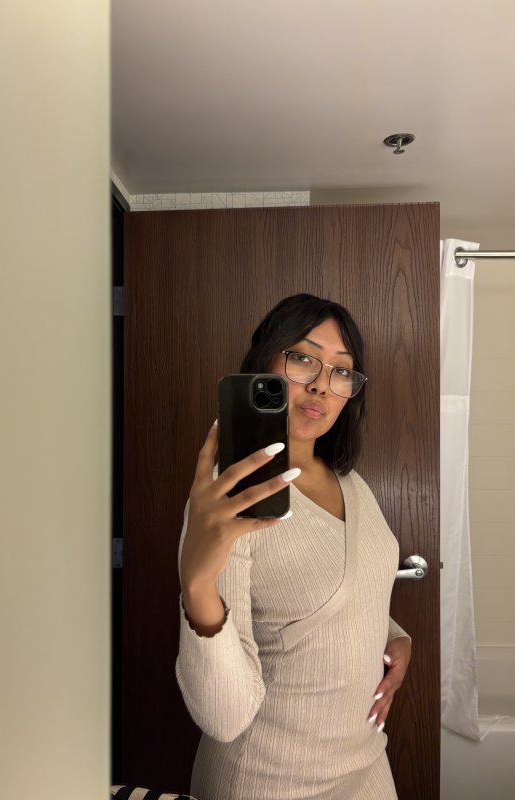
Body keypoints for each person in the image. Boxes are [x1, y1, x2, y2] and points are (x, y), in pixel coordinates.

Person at [176, 294, 412, 800]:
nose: (322, 383)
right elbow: (225, 717)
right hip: (268, 779)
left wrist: (396, 639)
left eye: (341, 370)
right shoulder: (232, 495)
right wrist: (196, 586)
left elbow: (337, 592)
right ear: (263, 363)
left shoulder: (352, 483)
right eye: (303, 358)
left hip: (367, 762)